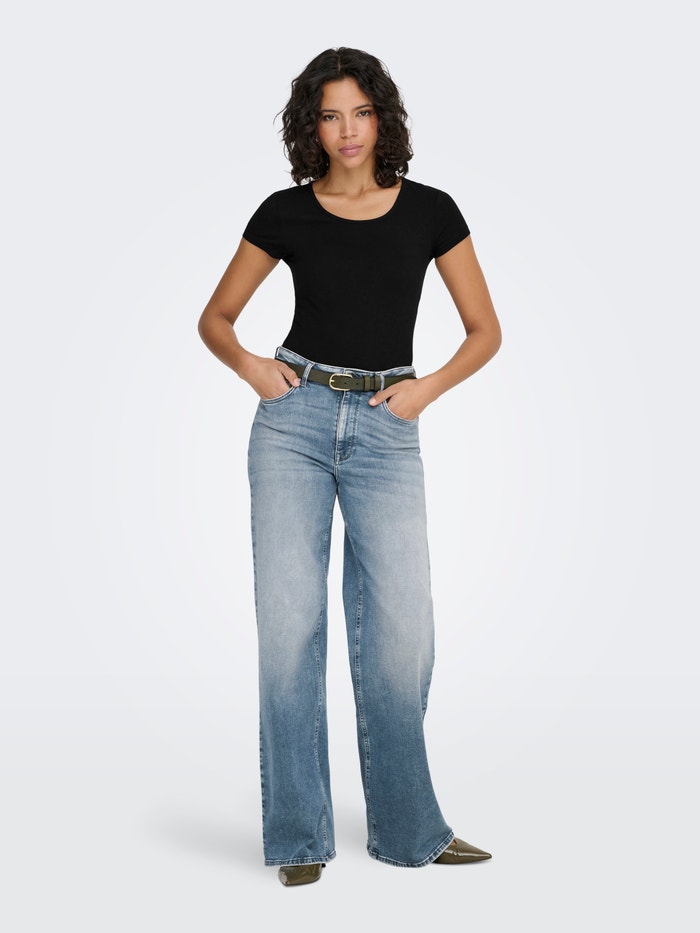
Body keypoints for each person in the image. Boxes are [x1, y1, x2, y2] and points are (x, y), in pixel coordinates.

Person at [197, 47, 502, 887]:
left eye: (360, 112)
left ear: (382, 117)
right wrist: (253, 368)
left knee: (404, 634)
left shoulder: (432, 210)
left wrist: (424, 390)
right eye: (330, 116)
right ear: (312, 127)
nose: (347, 130)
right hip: (292, 423)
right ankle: (299, 836)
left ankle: (409, 828)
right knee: (290, 627)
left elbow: (485, 330)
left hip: (387, 425)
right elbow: (217, 317)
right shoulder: (285, 212)